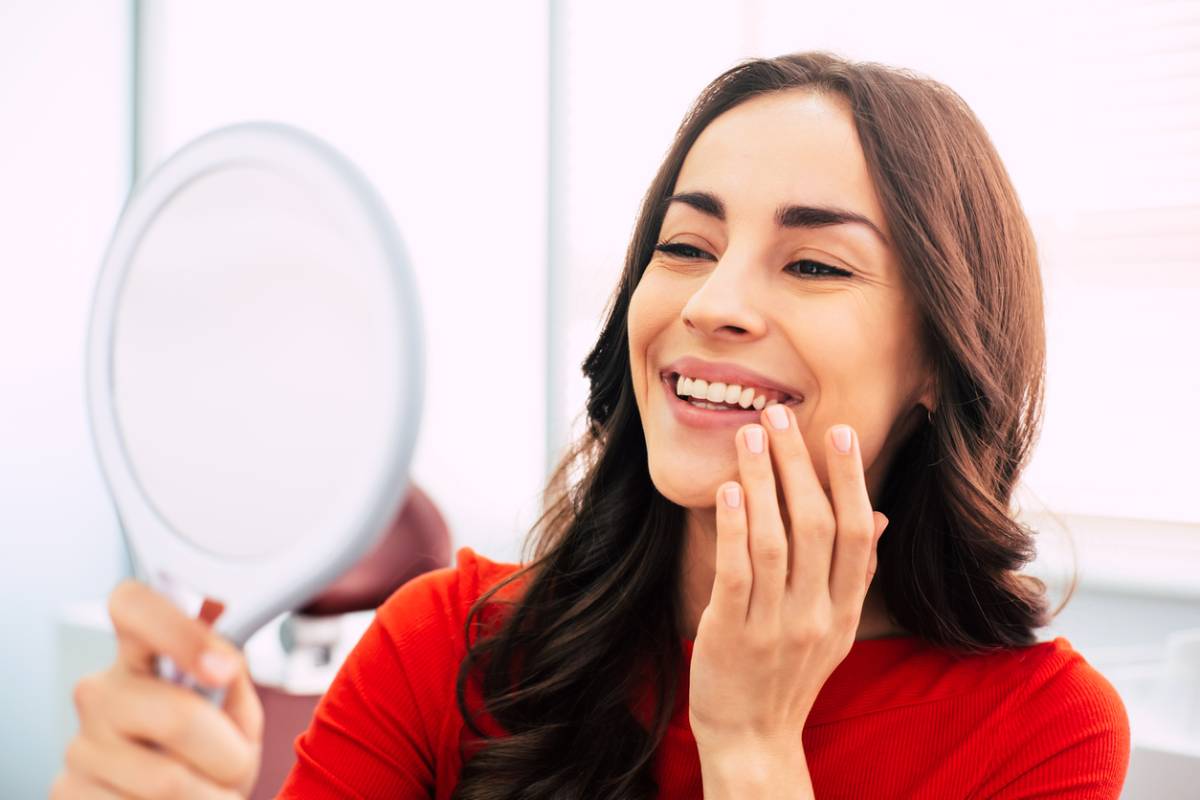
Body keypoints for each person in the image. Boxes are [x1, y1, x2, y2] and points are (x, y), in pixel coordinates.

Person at [54, 51, 1130, 799]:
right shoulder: (443, 647)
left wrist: (751, 746)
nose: (712, 302)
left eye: (812, 262)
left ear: (939, 360)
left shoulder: (1043, 733)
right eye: (685, 245)